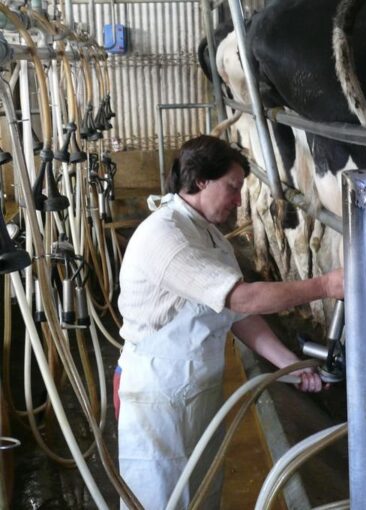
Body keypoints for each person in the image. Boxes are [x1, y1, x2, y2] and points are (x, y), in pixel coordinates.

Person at [115, 135, 344, 509]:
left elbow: (238, 315)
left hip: (197, 391)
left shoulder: (208, 236)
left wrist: (289, 365)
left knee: (202, 492)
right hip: (157, 398)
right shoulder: (166, 236)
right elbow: (242, 297)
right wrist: (324, 285)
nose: (239, 199)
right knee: (159, 498)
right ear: (201, 180)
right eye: (233, 187)